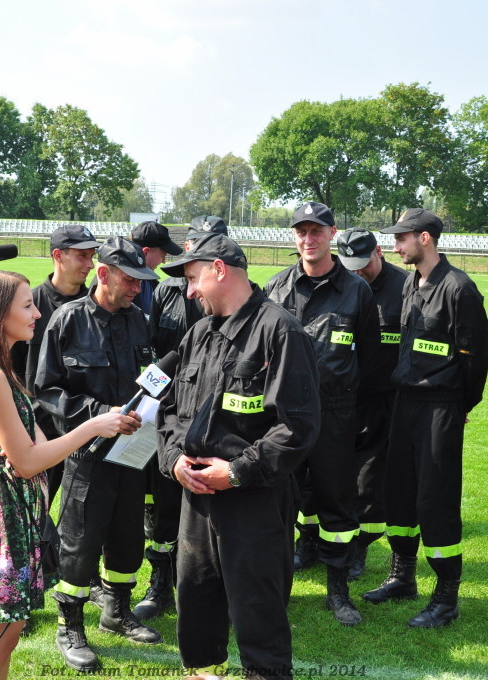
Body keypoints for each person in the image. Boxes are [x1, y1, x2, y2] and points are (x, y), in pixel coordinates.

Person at [0, 271, 140, 680]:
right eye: (27, 306)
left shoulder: (6, 371)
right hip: (5, 515)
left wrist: (90, 428)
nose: (37, 313)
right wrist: (93, 426)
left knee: (9, 634)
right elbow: (26, 461)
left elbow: (40, 449)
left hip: (21, 511)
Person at [157, 232, 320, 679]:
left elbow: (298, 426)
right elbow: (169, 410)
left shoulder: (280, 331)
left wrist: (237, 471)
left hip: (253, 500)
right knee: (196, 605)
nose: (189, 292)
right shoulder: (197, 334)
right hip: (196, 499)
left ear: (219, 269)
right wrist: (174, 460)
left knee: (257, 613)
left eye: (193, 278)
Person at [35, 236, 162, 672]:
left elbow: (151, 378)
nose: (138, 289)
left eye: (142, 281)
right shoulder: (67, 320)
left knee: (127, 538)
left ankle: (116, 612)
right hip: (87, 454)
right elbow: (47, 389)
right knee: (80, 543)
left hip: (132, 452)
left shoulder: (138, 320)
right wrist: (99, 414)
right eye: (130, 280)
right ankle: (69, 625)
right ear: (103, 274)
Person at [364, 208, 488, 629]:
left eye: (401, 238)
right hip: (405, 402)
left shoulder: (459, 288)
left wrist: (461, 405)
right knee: (399, 492)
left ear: (424, 238)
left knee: (435, 499)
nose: (394, 246)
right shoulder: (410, 284)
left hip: (440, 406)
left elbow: (476, 357)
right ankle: (402, 577)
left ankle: (446, 597)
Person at [263, 201, 381, 627]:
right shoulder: (276, 288)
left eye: (317, 231)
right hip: (285, 415)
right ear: (294, 236)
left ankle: (338, 590)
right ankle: (275, 587)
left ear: (333, 234)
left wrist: (354, 410)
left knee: (337, 503)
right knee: (279, 501)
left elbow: (369, 359)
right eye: (302, 231)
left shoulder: (357, 290)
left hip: (336, 414)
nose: (309, 239)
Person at [134, 215, 229, 622]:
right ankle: (160, 581)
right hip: (172, 413)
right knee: (164, 500)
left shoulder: (242, 298)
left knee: (215, 502)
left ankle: (215, 585)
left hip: (218, 417)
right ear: (187, 246)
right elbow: (155, 352)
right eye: (195, 242)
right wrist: (146, 397)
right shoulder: (166, 289)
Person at [335, 227, 408, 580]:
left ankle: (360, 546)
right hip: (341, 398)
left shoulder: (405, 289)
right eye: (351, 266)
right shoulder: (341, 285)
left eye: (363, 263)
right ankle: (316, 542)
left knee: (369, 480)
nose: (358, 271)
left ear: (379, 252)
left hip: (384, 402)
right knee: (333, 474)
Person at [17, 224, 100, 503]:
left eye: (92, 256)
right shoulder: (30, 305)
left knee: (81, 519)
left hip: (87, 430)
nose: (90, 264)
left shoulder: (97, 308)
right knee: (35, 513)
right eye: (82, 256)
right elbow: (9, 370)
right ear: (58, 255)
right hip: (39, 433)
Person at [130, 220, 182, 316]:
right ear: (145, 252)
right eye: (162, 256)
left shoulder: (149, 281)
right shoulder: (126, 287)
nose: (163, 261)